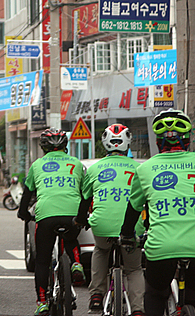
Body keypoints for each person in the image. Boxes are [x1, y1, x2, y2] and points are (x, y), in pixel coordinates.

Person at [120, 109, 195, 316]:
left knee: (155, 293)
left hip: (162, 247)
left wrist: (127, 235)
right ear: (187, 140)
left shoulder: (145, 168)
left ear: (158, 142)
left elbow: (134, 208)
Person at [76, 124, 145, 315]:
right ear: (128, 143)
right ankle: (138, 309)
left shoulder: (94, 168)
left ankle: (97, 296)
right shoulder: (140, 168)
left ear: (105, 144)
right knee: (133, 269)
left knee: (100, 250)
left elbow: (85, 200)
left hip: (102, 226)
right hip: (132, 228)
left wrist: (81, 220)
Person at [17, 127, 86, 316]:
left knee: (42, 260)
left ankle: (41, 303)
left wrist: (23, 213)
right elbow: (85, 192)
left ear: (43, 147)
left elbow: (28, 193)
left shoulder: (37, 165)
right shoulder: (76, 163)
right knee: (71, 238)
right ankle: (76, 264)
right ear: (65, 145)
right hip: (72, 212)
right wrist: (83, 215)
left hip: (46, 215)